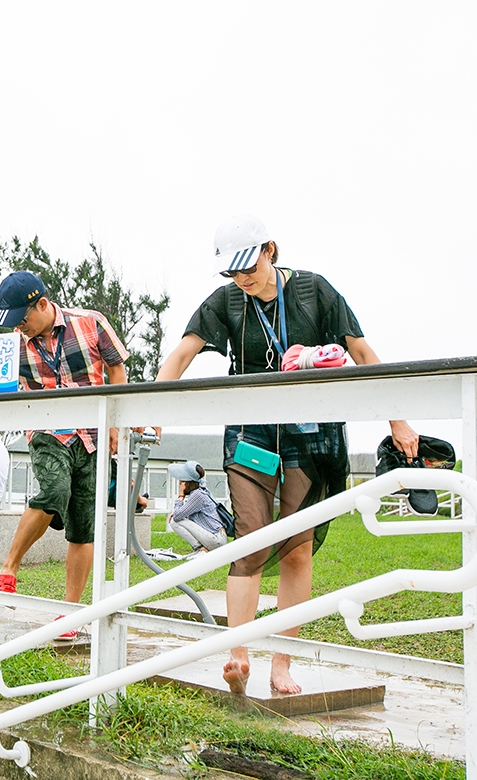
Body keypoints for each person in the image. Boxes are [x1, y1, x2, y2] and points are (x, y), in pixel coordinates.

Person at [155, 213, 418, 695]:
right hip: (252, 431)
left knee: (297, 549)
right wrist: (151, 404)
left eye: (247, 266)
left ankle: (282, 663)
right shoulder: (227, 301)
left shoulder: (315, 291)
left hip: (311, 432)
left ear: (270, 250)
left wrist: (397, 418)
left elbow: (362, 353)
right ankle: (238, 656)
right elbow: (183, 352)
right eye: (230, 271)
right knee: (249, 537)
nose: (241, 278)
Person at [0, 270, 129, 641]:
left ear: (43, 304)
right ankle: (8, 568)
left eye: (23, 319)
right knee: (53, 492)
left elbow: (117, 368)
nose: (20, 328)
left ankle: (69, 616)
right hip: (48, 431)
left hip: (94, 436)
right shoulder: (15, 346)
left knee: (84, 528)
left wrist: (117, 423)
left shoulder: (91, 323)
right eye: (13, 323)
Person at [167, 461, 227, 554]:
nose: (179, 483)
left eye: (182, 481)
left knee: (174, 521)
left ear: (187, 482)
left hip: (217, 540)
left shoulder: (198, 495)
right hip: (216, 538)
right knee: (176, 519)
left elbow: (177, 516)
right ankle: (202, 549)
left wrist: (181, 496)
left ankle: (200, 550)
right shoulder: (200, 492)